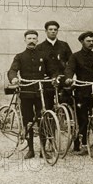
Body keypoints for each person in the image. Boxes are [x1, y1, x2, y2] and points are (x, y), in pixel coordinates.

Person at [7, 30, 57, 159]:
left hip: (41, 92)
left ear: (37, 40)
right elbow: (12, 70)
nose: (31, 41)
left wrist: (54, 77)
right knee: (28, 120)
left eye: (34, 38)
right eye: (29, 38)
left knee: (43, 119)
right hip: (26, 92)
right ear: (25, 40)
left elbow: (52, 70)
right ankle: (30, 150)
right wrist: (13, 78)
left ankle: (43, 150)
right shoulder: (20, 56)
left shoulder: (44, 55)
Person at [64, 32, 93, 154]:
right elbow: (70, 69)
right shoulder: (75, 56)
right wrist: (68, 78)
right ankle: (83, 144)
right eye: (88, 41)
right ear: (82, 42)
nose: (91, 43)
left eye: (92, 41)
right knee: (83, 119)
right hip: (82, 90)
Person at [36, 20, 73, 105]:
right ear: (46, 31)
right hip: (47, 81)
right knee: (48, 105)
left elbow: (71, 62)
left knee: (65, 104)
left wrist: (69, 76)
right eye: (50, 29)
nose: (53, 31)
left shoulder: (64, 45)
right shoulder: (40, 47)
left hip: (63, 79)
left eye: (55, 29)